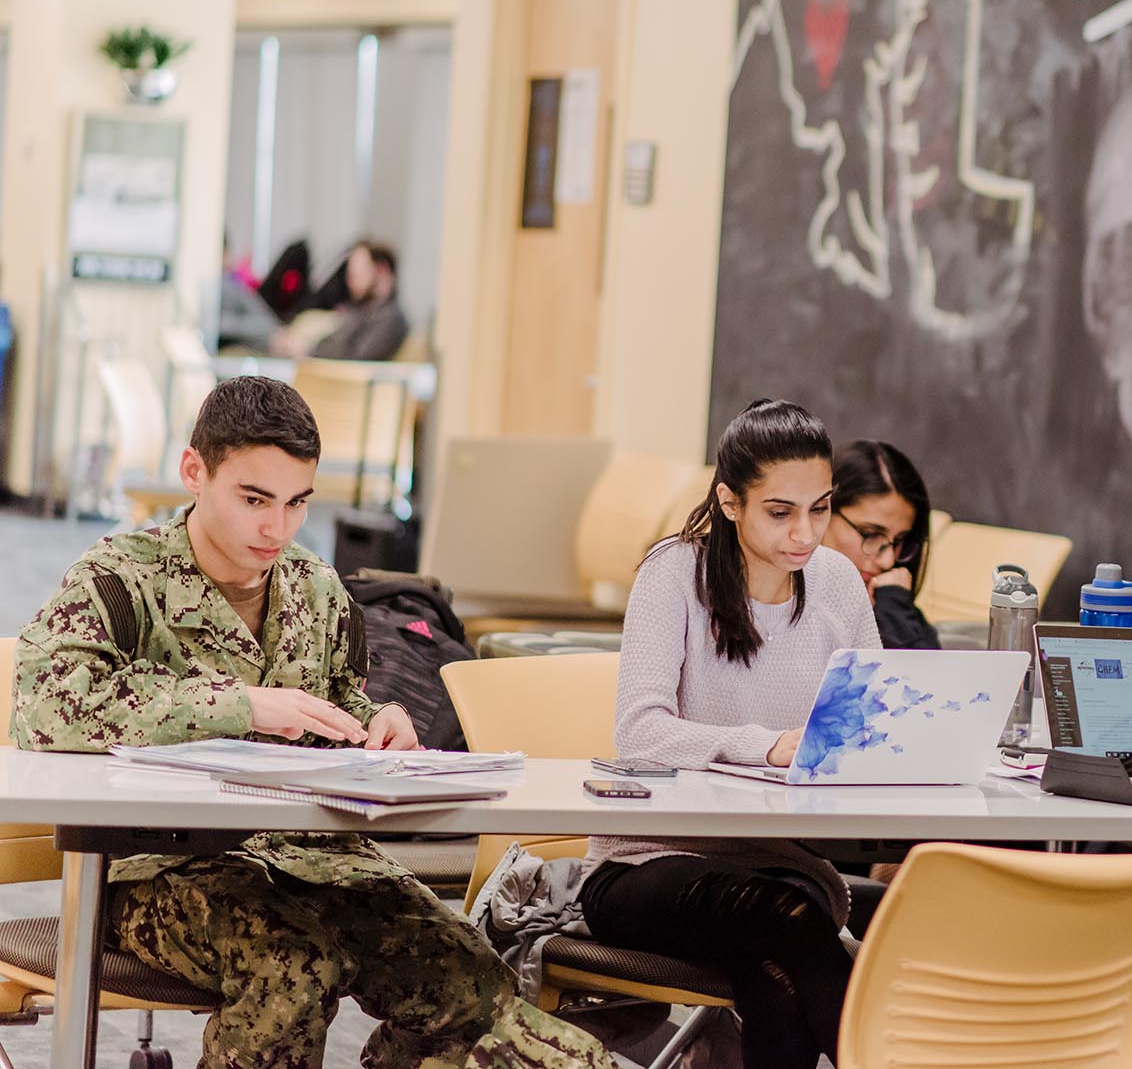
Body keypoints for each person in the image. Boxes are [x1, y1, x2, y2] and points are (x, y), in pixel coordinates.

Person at [10, 376, 614, 1069]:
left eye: (298, 502)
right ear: (193, 472)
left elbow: (338, 705)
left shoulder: (316, 587)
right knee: (293, 967)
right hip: (163, 867)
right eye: (254, 499)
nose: (277, 527)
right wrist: (241, 703)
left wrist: (381, 722)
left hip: (321, 859)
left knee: (470, 980)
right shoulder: (122, 579)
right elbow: (44, 708)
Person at [579, 399, 879, 1069]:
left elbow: (865, 728)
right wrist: (766, 743)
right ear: (730, 500)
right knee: (787, 921)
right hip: (642, 863)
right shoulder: (672, 574)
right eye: (781, 511)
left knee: (772, 982)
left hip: (776, 866)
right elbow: (641, 732)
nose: (805, 533)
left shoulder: (837, 584)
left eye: (822, 508)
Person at [826, 439, 939, 648]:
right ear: (822, 512)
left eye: (898, 541)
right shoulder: (773, 601)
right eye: (870, 534)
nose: (888, 560)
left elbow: (929, 679)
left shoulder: (891, 600)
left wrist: (894, 609)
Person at [275, 242, 409, 361]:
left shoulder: (390, 317)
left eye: (357, 273)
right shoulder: (358, 309)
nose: (349, 281)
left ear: (381, 270)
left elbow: (357, 359)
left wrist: (307, 351)